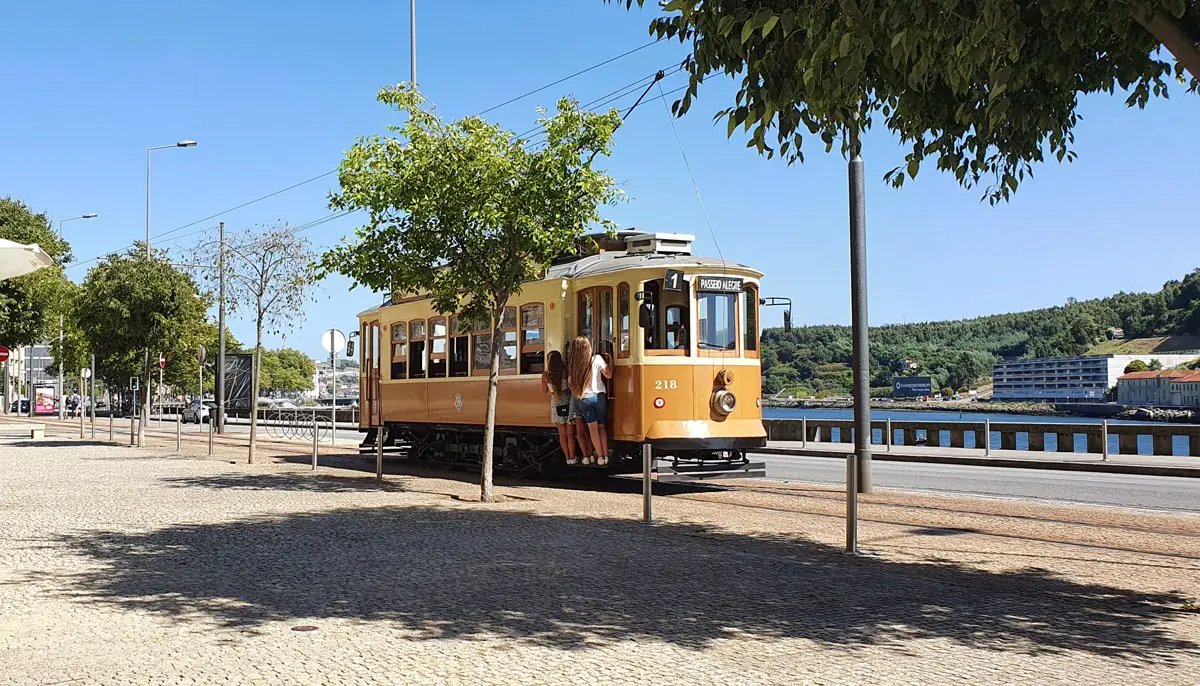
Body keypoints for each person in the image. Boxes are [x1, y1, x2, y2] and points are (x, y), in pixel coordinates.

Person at [567, 335, 612, 466]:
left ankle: (599, 457)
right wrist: (611, 362)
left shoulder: (574, 364)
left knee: (592, 430)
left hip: (584, 399)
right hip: (598, 397)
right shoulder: (597, 359)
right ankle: (606, 455)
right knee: (602, 427)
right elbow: (608, 374)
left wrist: (579, 394)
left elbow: (570, 383)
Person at [540, 350, 577, 465]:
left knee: (562, 434)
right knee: (570, 434)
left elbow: (544, 391)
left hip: (556, 402)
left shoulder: (546, 375)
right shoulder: (565, 371)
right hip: (568, 401)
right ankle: (573, 457)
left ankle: (568, 458)